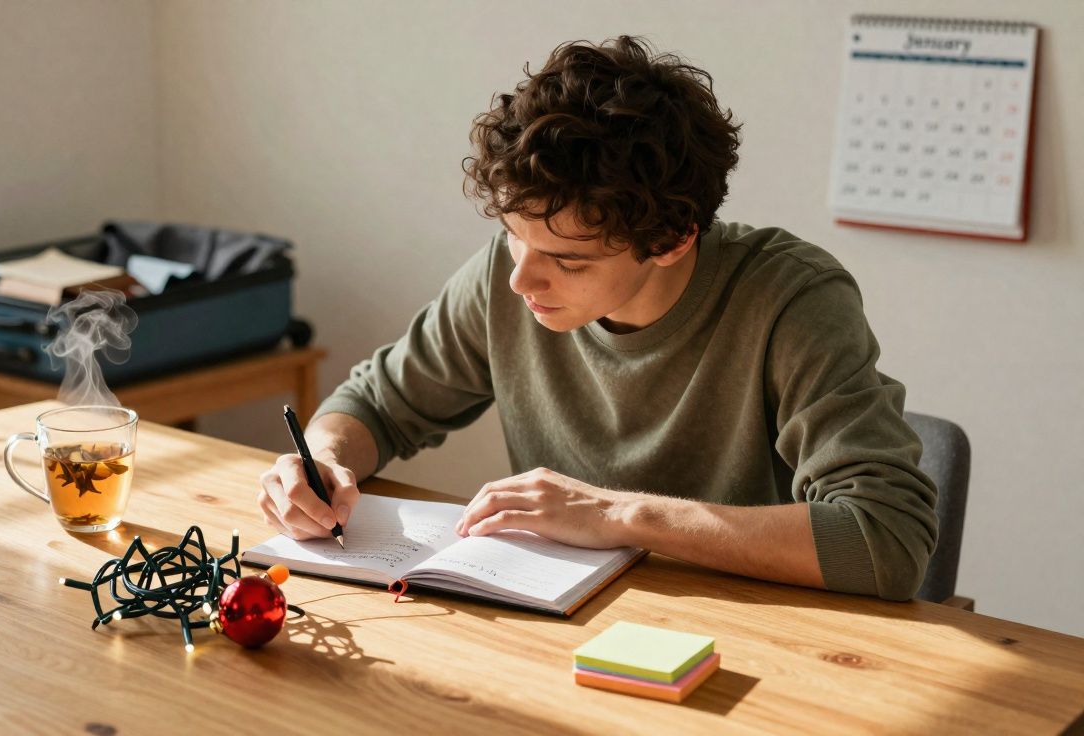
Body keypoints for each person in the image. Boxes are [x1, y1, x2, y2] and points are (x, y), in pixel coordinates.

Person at [257, 35, 937, 601]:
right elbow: (374, 403)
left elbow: (886, 541)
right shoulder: (511, 272)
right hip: (568, 627)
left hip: (751, 645)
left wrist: (619, 515)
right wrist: (322, 464)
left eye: (568, 261)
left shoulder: (790, 300)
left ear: (672, 240)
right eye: (514, 237)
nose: (521, 277)